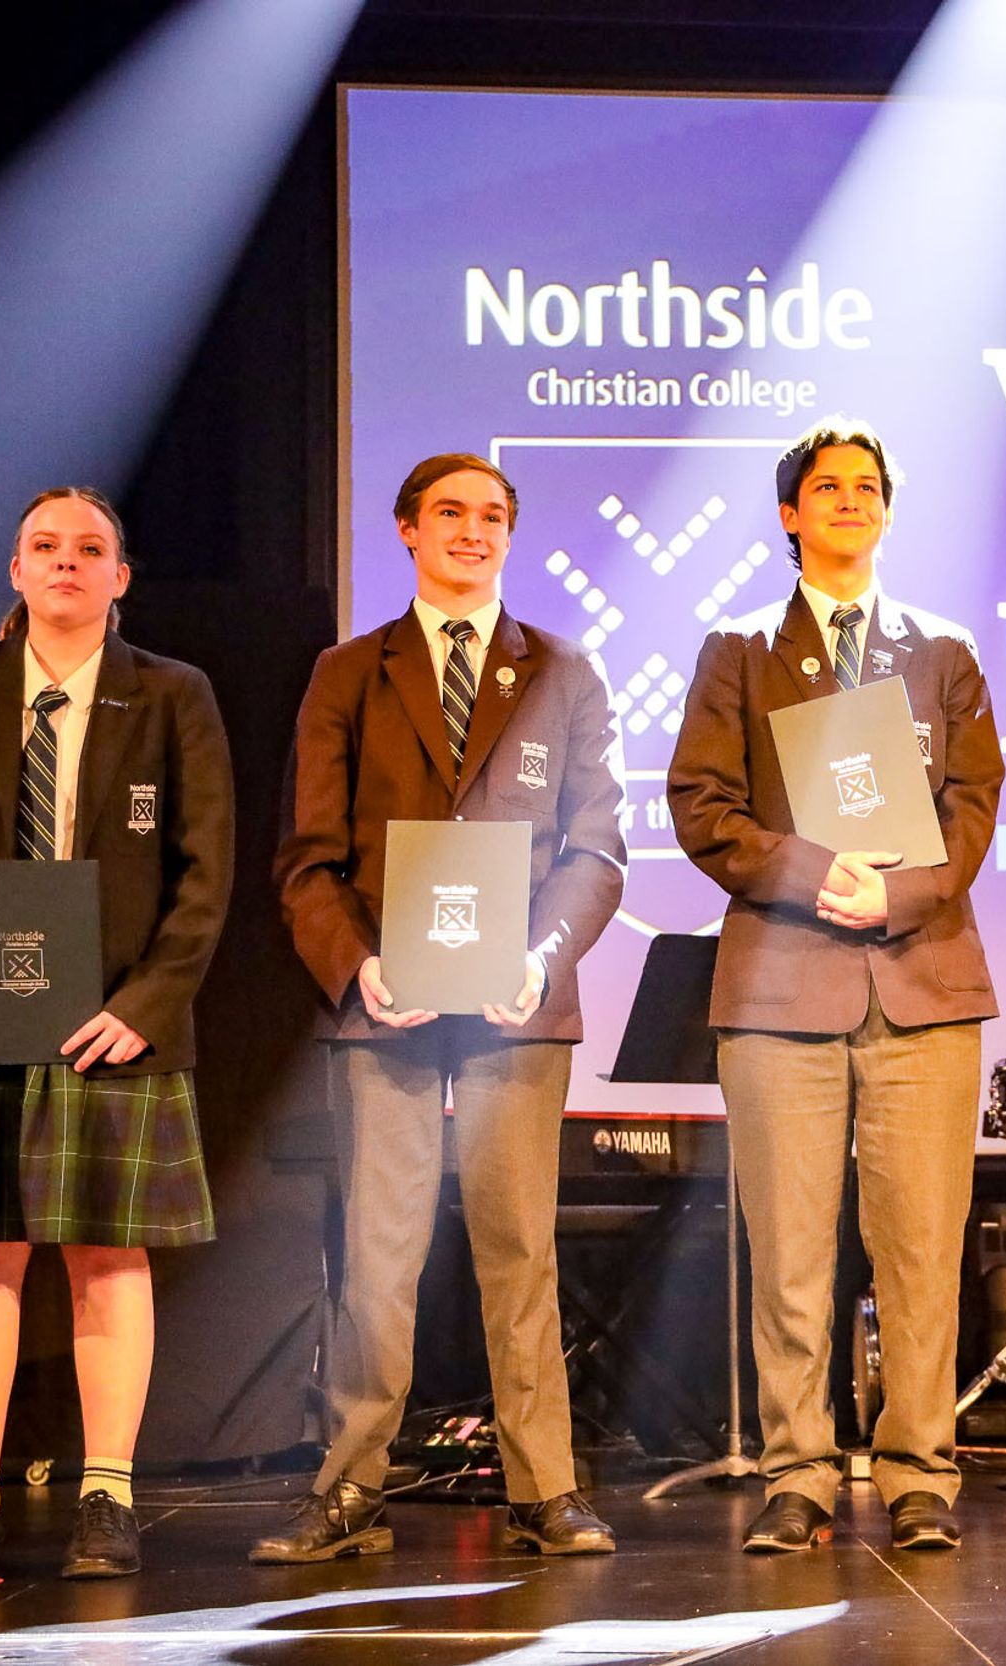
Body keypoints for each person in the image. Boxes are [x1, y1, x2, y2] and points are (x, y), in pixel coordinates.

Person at [257, 452, 627, 1563]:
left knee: (520, 1248)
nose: (474, 530)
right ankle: (351, 1489)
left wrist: (541, 958)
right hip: (388, 1004)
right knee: (380, 1254)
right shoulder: (347, 673)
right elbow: (308, 856)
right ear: (406, 529)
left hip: (518, 1003)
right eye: (451, 512)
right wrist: (358, 965)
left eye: (493, 515)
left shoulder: (563, 670)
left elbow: (597, 850)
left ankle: (544, 1489)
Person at [0, 487, 234, 1582]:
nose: (66, 561)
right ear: (16, 570)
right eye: (44, 545)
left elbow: (205, 874)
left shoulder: (173, 693)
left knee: (108, 1254)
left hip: (112, 1024)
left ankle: (106, 1500)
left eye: (89, 548)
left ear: (121, 577)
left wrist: (145, 1007)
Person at [667, 416, 1003, 1553]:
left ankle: (920, 1474)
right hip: (782, 987)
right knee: (791, 1252)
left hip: (922, 981)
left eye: (868, 485)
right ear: (789, 514)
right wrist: (817, 878)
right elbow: (701, 803)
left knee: (922, 1252)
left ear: (886, 511)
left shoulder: (942, 650)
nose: (851, 499)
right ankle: (799, 1473)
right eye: (828, 486)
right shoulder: (739, 650)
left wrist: (900, 893)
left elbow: (974, 804)